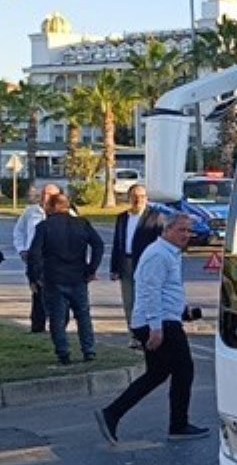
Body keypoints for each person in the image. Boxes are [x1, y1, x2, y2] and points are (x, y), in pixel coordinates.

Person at [95, 212, 210, 442]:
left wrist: (183, 311)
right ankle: (177, 425)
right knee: (183, 370)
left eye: (189, 231)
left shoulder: (169, 253)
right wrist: (156, 328)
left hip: (164, 319)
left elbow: (167, 290)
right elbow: (149, 292)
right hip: (159, 323)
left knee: (158, 373)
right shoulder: (158, 254)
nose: (186, 235)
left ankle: (112, 414)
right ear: (166, 231)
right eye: (182, 230)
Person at [26, 192, 103, 365]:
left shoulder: (44, 227)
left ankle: (63, 352)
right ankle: (88, 350)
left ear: (51, 207)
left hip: (53, 278)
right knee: (83, 315)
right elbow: (98, 245)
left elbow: (34, 254)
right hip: (78, 276)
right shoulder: (82, 224)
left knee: (57, 318)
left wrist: (35, 276)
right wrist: (91, 269)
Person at [13, 183, 62, 333]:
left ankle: (57, 325)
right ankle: (37, 325)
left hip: (55, 260)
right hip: (35, 258)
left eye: (51, 195)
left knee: (55, 292)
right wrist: (22, 250)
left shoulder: (66, 213)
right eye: (44, 194)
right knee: (37, 290)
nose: (46, 197)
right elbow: (19, 231)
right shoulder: (31, 212)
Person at [110, 184, 151, 339]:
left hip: (146, 265)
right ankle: (133, 336)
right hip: (126, 263)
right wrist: (115, 268)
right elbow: (117, 243)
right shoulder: (122, 218)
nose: (137, 200)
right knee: (129, 303)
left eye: (141, 196)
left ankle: (146, 334)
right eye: (134, 196)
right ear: (128, 198)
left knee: (144, 301)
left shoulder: (155, 217)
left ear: (147, 199)